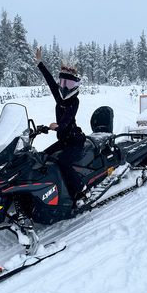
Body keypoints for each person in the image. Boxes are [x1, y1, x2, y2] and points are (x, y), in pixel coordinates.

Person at [36, 47, 86, 200]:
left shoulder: (74, 101)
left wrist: (59, 126)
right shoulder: (60, 98)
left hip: (75, 141)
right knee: (41, 157)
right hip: (64, 140)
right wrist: (40, 63)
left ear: (75, 85)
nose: (64, 87)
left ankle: (80, 189)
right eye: (63, 82)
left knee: (62, 162)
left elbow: (68, 119)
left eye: (69, 84)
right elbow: (50, 81)